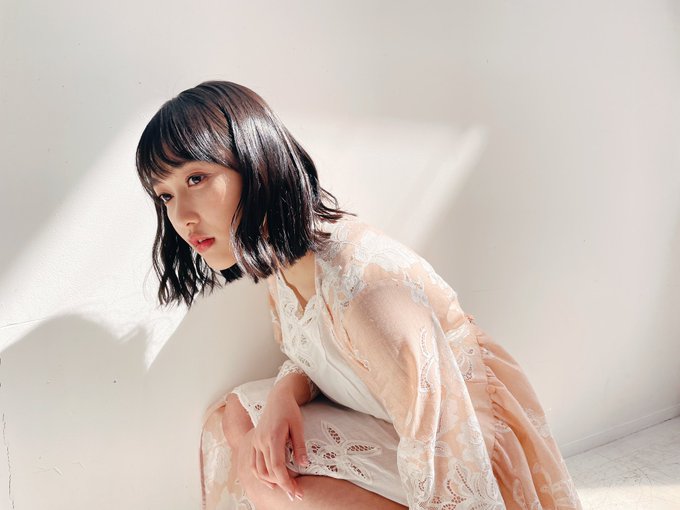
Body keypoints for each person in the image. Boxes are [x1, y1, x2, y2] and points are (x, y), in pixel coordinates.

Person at [135, 80, 583, 510]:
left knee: (266, 482)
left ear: (256, 163)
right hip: (397, 421)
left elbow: (449, 447)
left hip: (467, 450)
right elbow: (323, 354)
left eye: (196, 178)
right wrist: (283, 397)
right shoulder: (285, 264)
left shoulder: (366, 292)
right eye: (166, 196)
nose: (182, 216)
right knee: (238, 419)